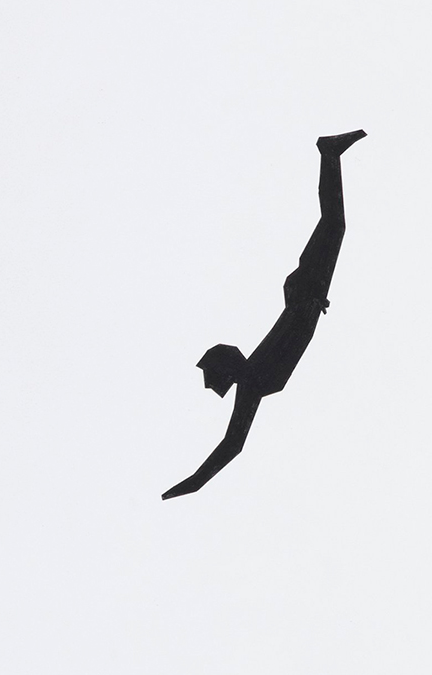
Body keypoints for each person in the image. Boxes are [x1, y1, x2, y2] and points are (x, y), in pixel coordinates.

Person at [162, 129, 367, 500]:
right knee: (334, 223)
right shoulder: (250, 384)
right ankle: (329, 154)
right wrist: (192, 483)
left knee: (334, 223)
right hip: (309, 293)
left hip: (306, 290)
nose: (219, 387)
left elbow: (231, 444)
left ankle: (328, 152)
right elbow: (232, 446)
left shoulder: (252, 379)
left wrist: (194, 482)